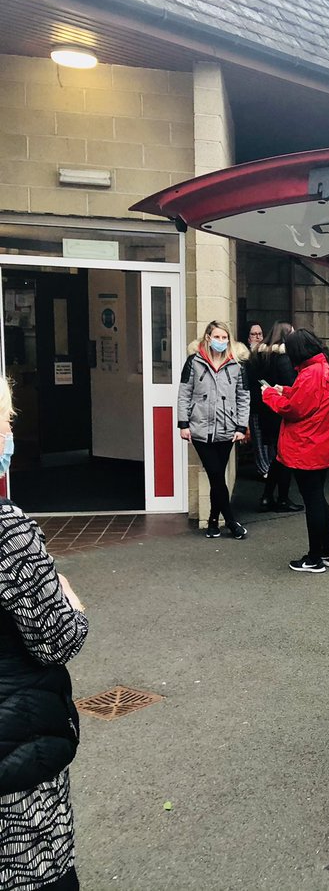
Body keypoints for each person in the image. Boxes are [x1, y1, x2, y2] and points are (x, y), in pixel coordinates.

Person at [0, 377, 89, 891]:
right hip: (16, 754)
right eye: (7, 421)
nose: (12, 432)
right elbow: (60, 637)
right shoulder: (8, 533)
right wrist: (67, 595)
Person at [262, 329, 329, 574]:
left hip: (305, 446)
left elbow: (293, 410)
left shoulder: (310, 374)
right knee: (318, 498)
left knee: (312, 500)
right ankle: (328, 552)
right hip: (323, 444)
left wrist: (269, 394)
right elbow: (312, 400)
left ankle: (313, 558)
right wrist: (286, 389)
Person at [177, 320, 250, 540]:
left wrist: (241, 426)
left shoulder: (237, 364)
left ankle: (212, 522)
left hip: (227, 429)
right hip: (201, 428)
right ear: (208, 338)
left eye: (224, 337)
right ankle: (230, 521)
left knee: (217, 477)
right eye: (217, 337)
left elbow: (243, 397)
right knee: (216, 475)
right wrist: (183, 424)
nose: (221, 341)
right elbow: (184, 393)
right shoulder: (194, 362)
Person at [250, 322, 303, 513]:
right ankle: (281, 498)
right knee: (284, 458)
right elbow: (292, 385)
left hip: (265, 411)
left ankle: (267, 496)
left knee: (277, 458)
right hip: (280, 412)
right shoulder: (283, 359)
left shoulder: (258, 356)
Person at [243, 323, 269, 480]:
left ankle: (269, 469)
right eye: (254, 334)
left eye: (260, 333)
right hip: (253, 405)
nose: (258, 337)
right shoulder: (245, 359)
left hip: (268, 404)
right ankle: (263, 469)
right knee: (258, 438)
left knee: (267, 439)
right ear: (248, 338)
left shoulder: (267, 356)